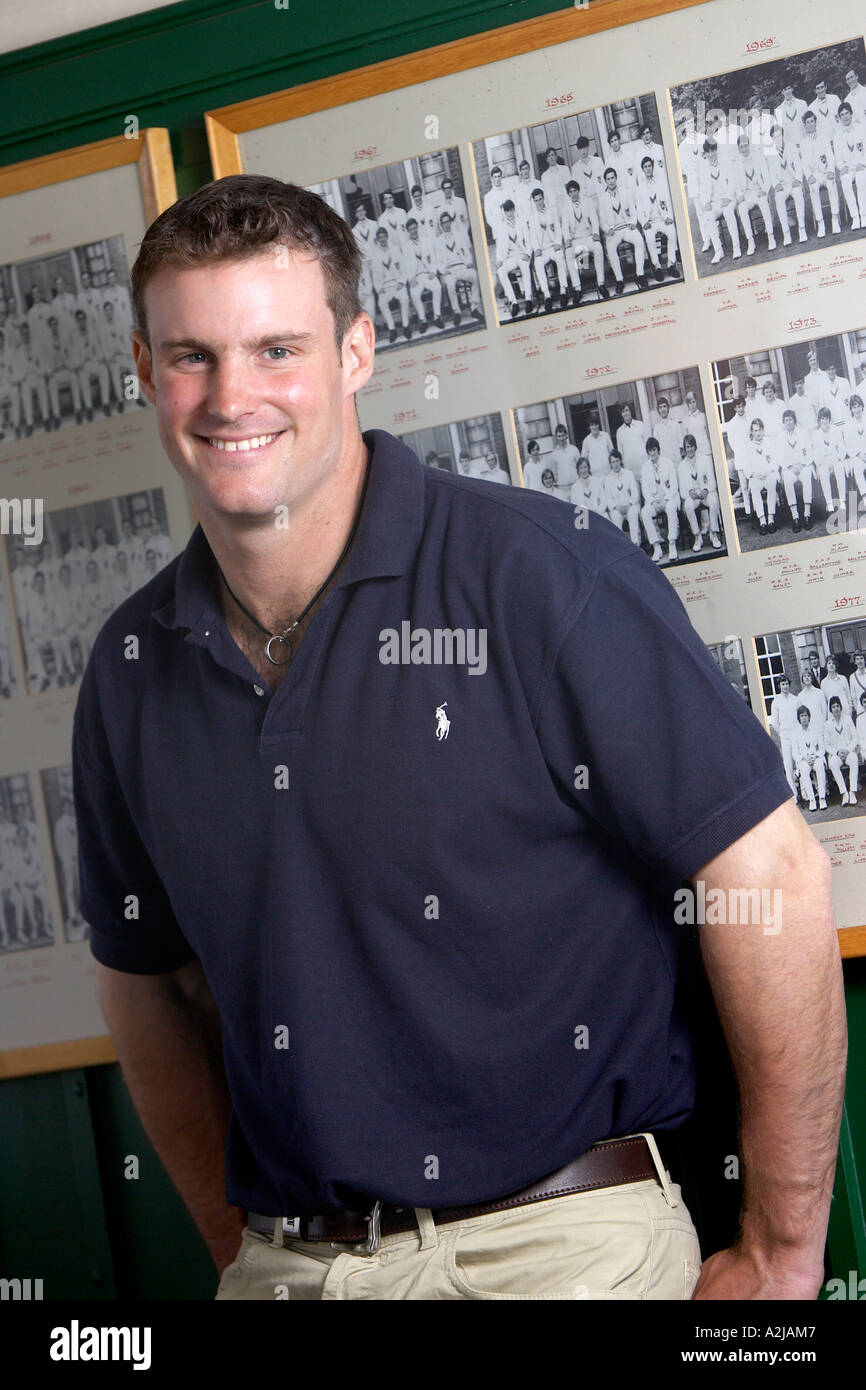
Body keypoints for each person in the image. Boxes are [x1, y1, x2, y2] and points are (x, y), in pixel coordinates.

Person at [74, 174, 845, 1303]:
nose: (232, 395)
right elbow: (143, 984)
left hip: (563, 1248)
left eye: (277, 349)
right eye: (191, 355)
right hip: (296, 1269)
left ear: (353, 353)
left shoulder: (538, 576)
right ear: (145, 372)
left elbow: (768, 875)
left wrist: (782, 1250)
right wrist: (240, 1250)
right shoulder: (129, 666)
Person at [596, 168, 648, 295]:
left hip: (626, 227)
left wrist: (632, 223)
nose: (611, 181)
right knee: (611, 248)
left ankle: (640, 274)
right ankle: (620, 280)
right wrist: (608, 230)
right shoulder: (602, 199)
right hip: (614, 231)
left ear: (616, 178)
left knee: (639, 240)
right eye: (608, 179)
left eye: (612, 178)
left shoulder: (625, 193)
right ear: (605, 181)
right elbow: (602, 222)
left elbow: (633, 211)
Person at [640, 435, 680, 564]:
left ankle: (672, 543)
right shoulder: (645, 467)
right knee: (645, 512)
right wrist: (652, 501)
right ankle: (656, 547)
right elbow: (645, 489)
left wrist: (666, 499)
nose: (653, 453)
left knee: (670, 508)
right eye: (650, 450)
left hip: (669, 498)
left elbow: (674, 485)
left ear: (658, 450)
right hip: (654, 501)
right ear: (647, 452)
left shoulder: (667, 463)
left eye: (654, 449)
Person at [778, 406, 815, 532]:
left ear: (795, 421)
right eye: (786, 420)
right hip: (790, 468)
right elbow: (780, 456)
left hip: (803, 465)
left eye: (790, 419)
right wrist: (790, 466)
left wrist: (803, 464)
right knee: (787, 481)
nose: (789, 422)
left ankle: (807, 514)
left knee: (806, 478)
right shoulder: (781, 437)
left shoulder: (803, 433)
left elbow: (809, 451)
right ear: (783, 422)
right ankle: (795, 517)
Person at [823, 695, 859, 806]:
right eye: (833, 707)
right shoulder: (827, 724)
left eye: (837, 706)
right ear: (831, 709)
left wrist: (847, 750)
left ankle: (852, 792)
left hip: (848, 751)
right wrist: (837, 752)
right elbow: (826, 744)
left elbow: (855, 738)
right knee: (833, 763)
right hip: (836, 753)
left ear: (841, 707)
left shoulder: (847, 719)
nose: (836, 709)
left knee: (854, 759)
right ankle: (844, 793)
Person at [790, 706, 827, 812]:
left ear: (809, 717)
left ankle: (822, 798)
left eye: (806, 715)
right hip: (804, 760)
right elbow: (795, 754)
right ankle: (812, 800)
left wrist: (815, 756)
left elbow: (822, 748)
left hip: (816, 758)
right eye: (802, 716)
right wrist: (804, 758)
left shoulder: (816, 730)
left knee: (820, 766)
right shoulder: (795, 734)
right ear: (799, 718)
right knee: (804, 770)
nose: (804, 718)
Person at [602, 449, 641, 545]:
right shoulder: (608, 479)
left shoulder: (629, 474)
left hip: (629, 505)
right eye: (613, 462)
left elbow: (635, 493)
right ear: (610, 464)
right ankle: (622, 546)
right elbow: (608, 498)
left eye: (617, 461)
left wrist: (630, 503)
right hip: (617, 508)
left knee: (633, 513)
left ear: (620, 461)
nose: (615, 464)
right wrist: (616, 507)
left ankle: (635, 543)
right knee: (615, 517)